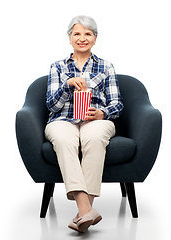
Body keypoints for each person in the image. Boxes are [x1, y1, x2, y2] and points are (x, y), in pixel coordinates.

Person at [45, 15, 124, 233]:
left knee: (94, 137)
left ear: (95, 38)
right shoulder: (57, 67)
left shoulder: (106, 66)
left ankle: (83, 214)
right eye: (77, 34)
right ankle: (86, 209)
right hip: (63, 119)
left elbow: (117, 103)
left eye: (87, 34)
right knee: (63, 138)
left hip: (95, 120)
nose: (82, 38)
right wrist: (66, 85)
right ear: (69, 38)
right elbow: (51, 105)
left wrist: (102, 112)